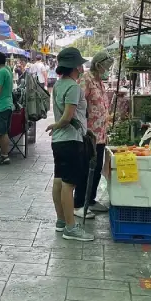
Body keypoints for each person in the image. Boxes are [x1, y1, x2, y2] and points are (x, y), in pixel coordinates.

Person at [45, 47, 93, 242]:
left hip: (59, 142)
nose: (81, 67)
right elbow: (67, 117)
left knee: (59, 180)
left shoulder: (58, 84)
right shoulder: (73, 87)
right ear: (75, 66)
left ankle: (61, 221)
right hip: (70, 140)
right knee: (68, 184)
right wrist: (56, 125)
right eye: (79, 64)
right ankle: (71, 228)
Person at [74, 50, 111, 218]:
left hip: (101, 134)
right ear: (98, 64)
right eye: (105, 66)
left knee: (96, 168)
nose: (107, 69)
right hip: (89, 133)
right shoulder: (86, 79)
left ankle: (91, 199)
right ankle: (78, 203)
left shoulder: (99, 81)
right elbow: (79, 103)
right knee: (85, 169)